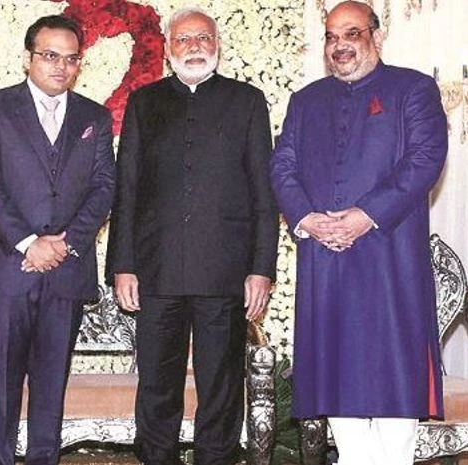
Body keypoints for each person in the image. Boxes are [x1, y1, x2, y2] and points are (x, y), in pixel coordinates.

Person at [269, 2, 447, 464]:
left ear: (375, 35)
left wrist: (365, 215)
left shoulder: (413, 89)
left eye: (351, 33)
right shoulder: (305, 101)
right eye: (331, 36)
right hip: (325, 261)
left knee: (394, 375)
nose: (340, 45)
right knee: (336, 380)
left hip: (390, 259)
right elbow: (283, 166)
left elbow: (425, 158)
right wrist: (307, 218)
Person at [105, 7, 278, 465]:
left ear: (217, 44)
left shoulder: (247, 101)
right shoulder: (145, 102)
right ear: (168, 49)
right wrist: (123, 264)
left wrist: (261, 268)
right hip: (157, 271)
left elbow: (265, 191)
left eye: (203, 37)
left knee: (221, 389)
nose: (195, 46)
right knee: (157, 387)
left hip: (225, 273)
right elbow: (128, 189)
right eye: (184, 39)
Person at [0, 14, 116, 465]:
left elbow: (104, 185)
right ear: (29, 58)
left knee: (52, 384)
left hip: (66, 272)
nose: (60, 67)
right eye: (50, 56)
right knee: (0, 385)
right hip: (7, 270)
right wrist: (29, 242)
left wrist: (65, 244)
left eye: (70, 60)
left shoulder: (95, 116)